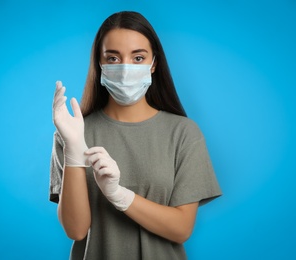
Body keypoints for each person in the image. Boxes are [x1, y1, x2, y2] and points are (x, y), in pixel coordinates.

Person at [49, 11, 222, 260]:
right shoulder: (73, 133)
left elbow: (181, 229)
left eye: (138, 57)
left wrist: (118, 195)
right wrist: (74, 151)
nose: (125, 68)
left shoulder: (183, 133)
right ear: (99, 64)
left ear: (154, 63)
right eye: (113, 58)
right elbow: (76, 230)